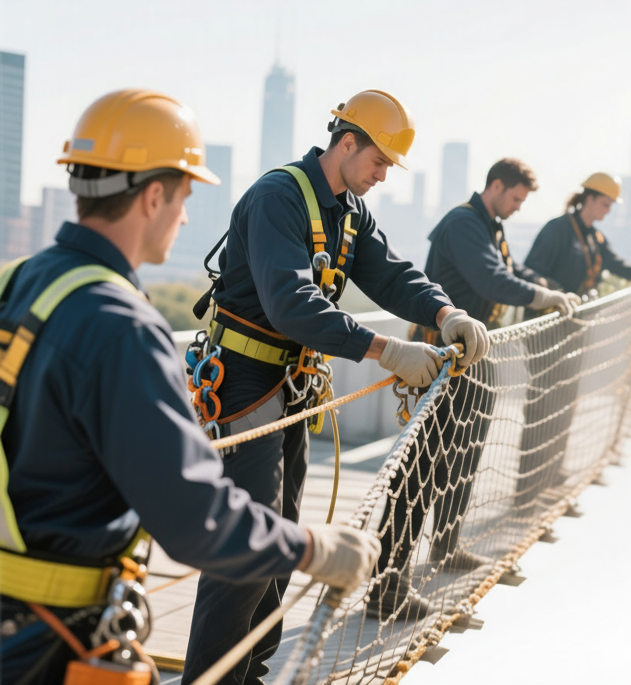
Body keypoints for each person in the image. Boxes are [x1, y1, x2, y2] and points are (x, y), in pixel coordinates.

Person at [0, 90, 380, 685]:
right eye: (185, 198)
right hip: (50, 637)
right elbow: (194, 515)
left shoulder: (16, 284)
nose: (184, 217)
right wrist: (312, 549)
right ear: (155, 195)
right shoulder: (119, 324)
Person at [184, 89, 489, 684]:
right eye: (378, 161)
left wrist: (445, 312)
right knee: (249, 545)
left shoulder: (347, 209)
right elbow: (292, 303)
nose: (382, 175)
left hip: (289, 380)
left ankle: (250, 670)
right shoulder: (280, 198)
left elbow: (389, 273)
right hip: (245, 380)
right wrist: (387, 350)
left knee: (281, 536)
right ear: (347, 143)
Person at [368, 158, 580, 620]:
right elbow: (491, 279)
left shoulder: (489, 225)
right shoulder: (464, 225)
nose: (518, 208)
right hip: (442, 362)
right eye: (516, 198)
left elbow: (509, 269)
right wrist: (544, 298)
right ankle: (387, 587)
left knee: (462, 459)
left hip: (472, 358)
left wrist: (543, 284)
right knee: (420, 472)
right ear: (497, 186)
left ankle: (445, 548)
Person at [516, 172, 631, 507]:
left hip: (573, 332)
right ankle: (526, 494)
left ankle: (552, 478)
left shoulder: (594, 238)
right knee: (542, 408)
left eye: (612, 205)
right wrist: (558, 293)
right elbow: (530, 271)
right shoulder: (557, 230)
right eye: (604, 203)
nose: (608, 210)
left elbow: (616, 265)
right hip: (546, 332)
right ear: (588, 198)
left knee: (564, 407)